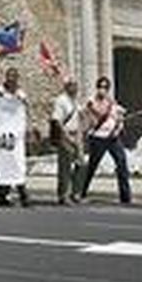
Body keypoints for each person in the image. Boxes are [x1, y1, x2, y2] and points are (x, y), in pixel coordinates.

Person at [78, 76, 130, 204]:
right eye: (100, 87)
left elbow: (118, 119)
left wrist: (118, 125)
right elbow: (87, 116)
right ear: (97, 88)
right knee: (92, 166)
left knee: (122, 162)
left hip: (112, 138)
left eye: (105, 87)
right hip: (98, 138)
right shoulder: (91, 102)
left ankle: (125, 197)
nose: (102, 90)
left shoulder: (112, 103)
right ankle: (80, 192)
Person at [0, 67, 30, 208]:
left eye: (14, 76)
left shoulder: (21, 94)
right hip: (3, 133)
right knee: (4, 163)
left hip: (17, 135)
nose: (11, 79)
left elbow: (25, 111)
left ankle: (22, 193)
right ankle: (1, 194)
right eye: (9, 76)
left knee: (18, 162)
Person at [49, 76, 82, 205]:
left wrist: (79, 137)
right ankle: (63, 195)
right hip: (65, 135)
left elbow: (79, 120)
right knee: (65, 166)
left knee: (81, 164)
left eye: (75, 85)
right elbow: (57, 120)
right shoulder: (61, 100)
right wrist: (66, 136)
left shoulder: (75, 102)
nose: (74, 87)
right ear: (66, 86)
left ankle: (76, 192)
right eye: (71, 85)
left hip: (76, 135)